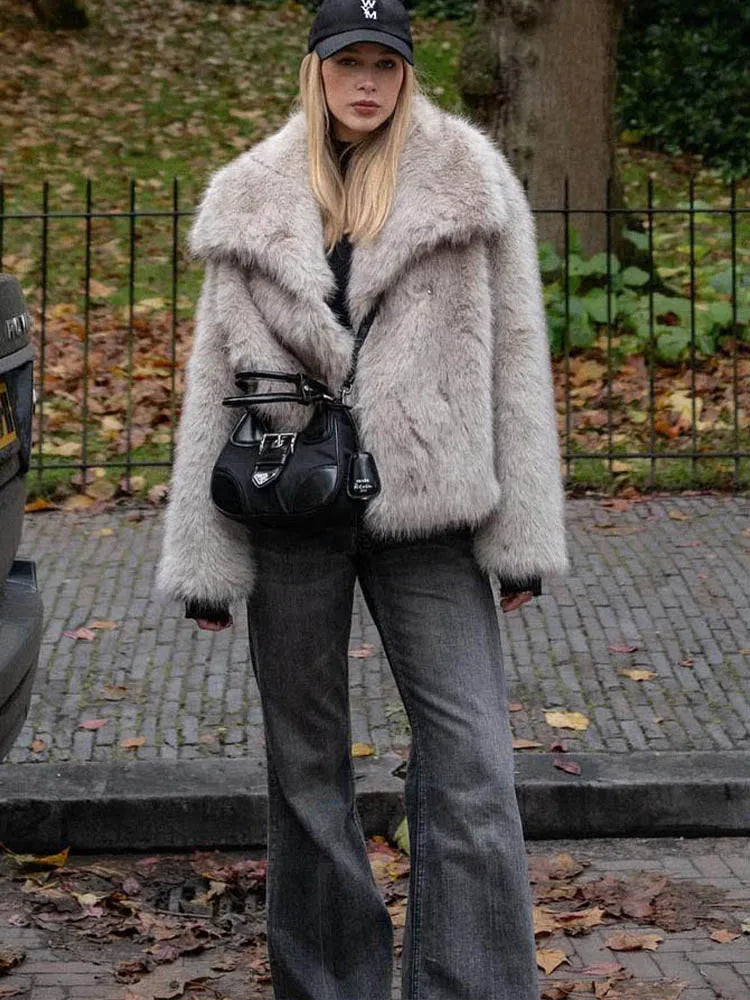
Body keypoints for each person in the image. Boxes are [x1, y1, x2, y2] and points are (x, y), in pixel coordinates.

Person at [157, 0, 568, 995]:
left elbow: (516, 360)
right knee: (305, 772)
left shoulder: (469, 180)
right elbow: (213, 377)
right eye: (350, 63)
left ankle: (471, 984)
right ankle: (328, 983)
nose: (368, 82)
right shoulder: (254, 195)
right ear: (318, 70)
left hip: (434, 513)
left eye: (386, 63)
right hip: (290, 509)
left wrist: (523, 535)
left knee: (473, 762)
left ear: (408, 73)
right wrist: (204, 557)